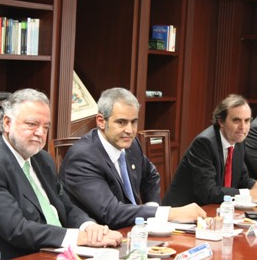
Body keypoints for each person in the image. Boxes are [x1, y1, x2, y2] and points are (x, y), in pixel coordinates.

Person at [0, 89, 122, 259]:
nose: (40, 133)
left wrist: (88, 227)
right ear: (8, 123)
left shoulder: (43, 159)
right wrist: (79, 237)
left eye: (45, 127)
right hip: (22, 255)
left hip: (59, 251)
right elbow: (17, 230)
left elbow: (67, 208)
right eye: (32, 124)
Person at [59, 87, 206, 229]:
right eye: (121, 122)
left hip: (135, 230)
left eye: (134, 122)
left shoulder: (131, 143)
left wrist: (152, 209)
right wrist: (168, 213)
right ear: (101, 121)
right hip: (102, 235)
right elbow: (111, 212)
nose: (129, 130)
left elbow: (151, 175)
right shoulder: (82, 157)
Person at [162, 94, 257, 207]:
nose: (243, 127)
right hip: (184, 213)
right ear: (221, 121)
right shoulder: (204, 143)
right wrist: (249, 193)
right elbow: (208, 192)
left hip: (216, 210)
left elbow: (242, 180)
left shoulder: (238, 141)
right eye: (236, 120)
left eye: (247, 121)